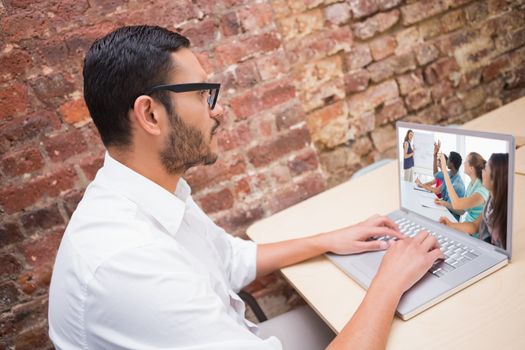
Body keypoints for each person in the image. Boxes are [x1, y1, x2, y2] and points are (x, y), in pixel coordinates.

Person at [48, 25, 443, 350]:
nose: (218, 111)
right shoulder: (131, 263)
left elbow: (230, 259)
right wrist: (389, 281)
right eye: (204, 95)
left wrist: (331, 239)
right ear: (150, 114)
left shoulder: (147, 192)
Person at [439, 154, 508, 249]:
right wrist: (451, 224)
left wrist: (444, 171)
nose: (482, 171)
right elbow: (475, 226)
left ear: (494, 178)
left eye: (486, 170)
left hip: (478, 242)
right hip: (473, 236)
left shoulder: (483, 191)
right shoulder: (490, 200)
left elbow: (457, 204)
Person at [436, 152, 489, 223]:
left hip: (473, 232)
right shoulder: (471, 185)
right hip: (466, 226)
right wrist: (443, 203)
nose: (463, 164)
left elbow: (456, 203)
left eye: (466, 162)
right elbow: (462, 211)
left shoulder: (481, 190)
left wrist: (444, 170)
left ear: (471, 168)